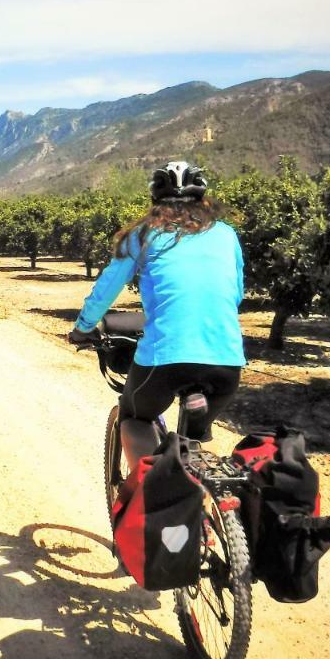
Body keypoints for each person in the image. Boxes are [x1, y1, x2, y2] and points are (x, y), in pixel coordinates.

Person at [68, 161, 245, 469]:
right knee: (193, 438)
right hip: (226, 363)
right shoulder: (227, 235)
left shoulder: (143, 235)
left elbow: (107, 287)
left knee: (134, 418)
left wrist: (83, 327)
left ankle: (155, 500)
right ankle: (200, 498)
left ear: (155, 203)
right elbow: (236, 293)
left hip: (166, 359)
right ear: (204, 201)